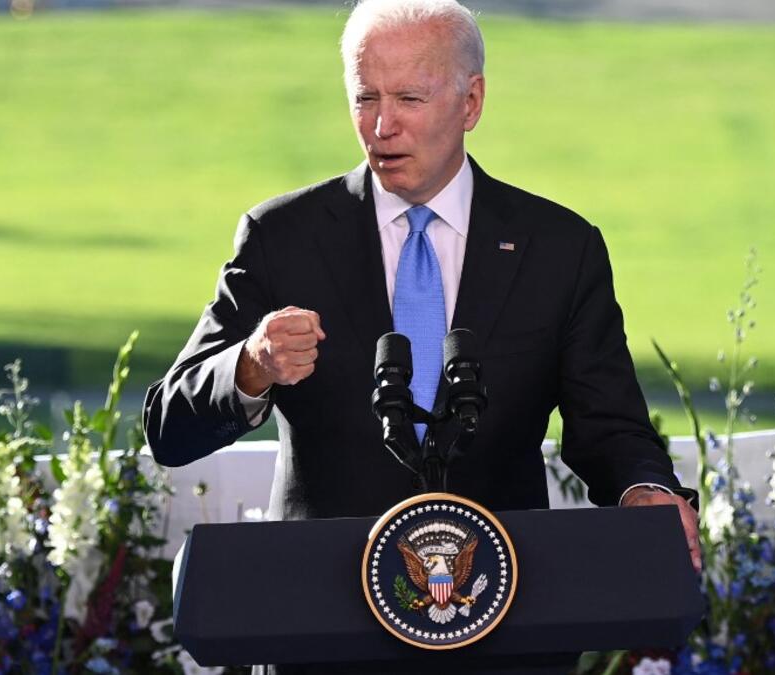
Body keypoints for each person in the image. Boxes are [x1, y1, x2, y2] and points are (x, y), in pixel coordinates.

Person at [144, 2, 699, 669]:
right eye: (364, 98)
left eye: (409, 97)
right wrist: (248, 366)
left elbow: (610, 428)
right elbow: (168, 428)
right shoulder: (281, 240)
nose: (381, 126)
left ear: (472, 102)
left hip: (507, 633)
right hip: (321, 635)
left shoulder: (560, 249)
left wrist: (646, 491)